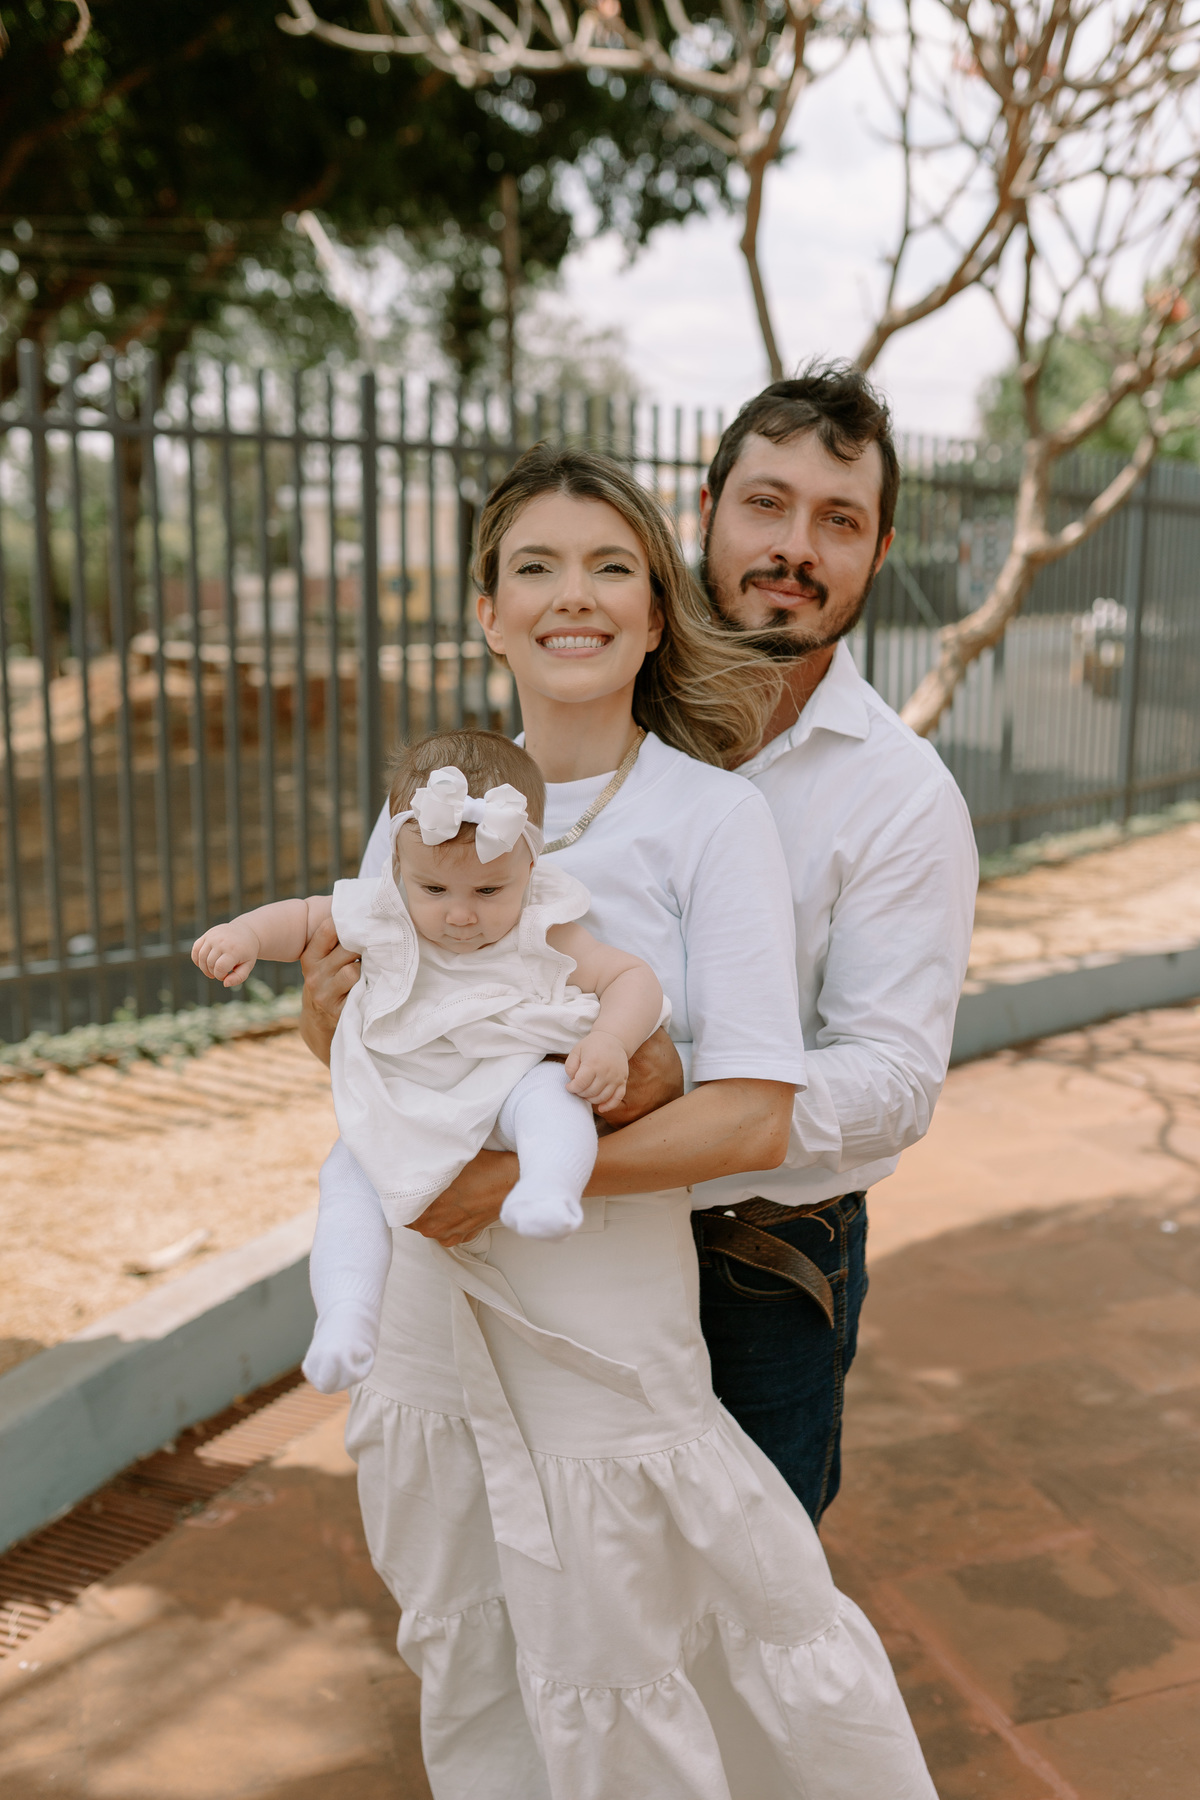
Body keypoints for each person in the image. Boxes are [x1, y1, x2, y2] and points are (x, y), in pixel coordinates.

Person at [299, 444, 937, 1797]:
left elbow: (752, 1117)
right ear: (489, 613)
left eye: (609, 568)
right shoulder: (421, 810)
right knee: (472, 1644)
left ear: (655, 612)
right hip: (429, 1310)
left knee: (640, 1658)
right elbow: (378, 1054)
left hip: (601, 1318)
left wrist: (518, 1183)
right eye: (535, 567)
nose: (572, 596)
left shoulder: (713, 818)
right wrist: (325, 1022)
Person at [688, 364, 978, 1524]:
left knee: (752, 1590)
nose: (794, 548)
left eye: (839, 520)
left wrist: (675, 1111)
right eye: (767, 503)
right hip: (567, 1241)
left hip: (760, 1263)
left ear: (879, 550)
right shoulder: (599, 717)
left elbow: (894, 1079)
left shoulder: (905, 798)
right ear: (706, 510)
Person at [192, 729, 666, 1394]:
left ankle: (547, 1187)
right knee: (347, 1177)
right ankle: (347, 1317)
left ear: (530, 867)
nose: (461, 915)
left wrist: (611, 1040)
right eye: (435, 888)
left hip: (506, 1083)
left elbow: (631, 978)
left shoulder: (542, 923)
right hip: (405, 1099)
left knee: (554, 1095)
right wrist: (241, 935)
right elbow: (300, 918)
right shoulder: (381, 911)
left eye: (489, 891)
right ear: (398, 866)